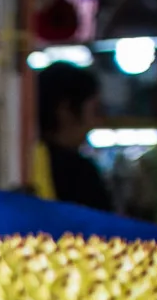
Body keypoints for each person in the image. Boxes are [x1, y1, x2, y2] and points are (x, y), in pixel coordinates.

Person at [36, 63, 113, 214]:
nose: (99, 121)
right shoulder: (80, 173)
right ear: (65, 110)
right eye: (95, 110)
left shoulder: (24, 162)